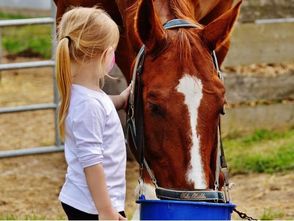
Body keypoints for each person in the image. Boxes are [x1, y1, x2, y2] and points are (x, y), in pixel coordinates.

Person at [56, 7, 130, 220]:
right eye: (113, 50)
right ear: (106, 55)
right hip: (94, 206)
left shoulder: (86, 95)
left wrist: (123, 99)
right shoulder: (88, 104)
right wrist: (106, 211)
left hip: (88, 201)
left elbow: (103, 108)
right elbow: (92, 164)